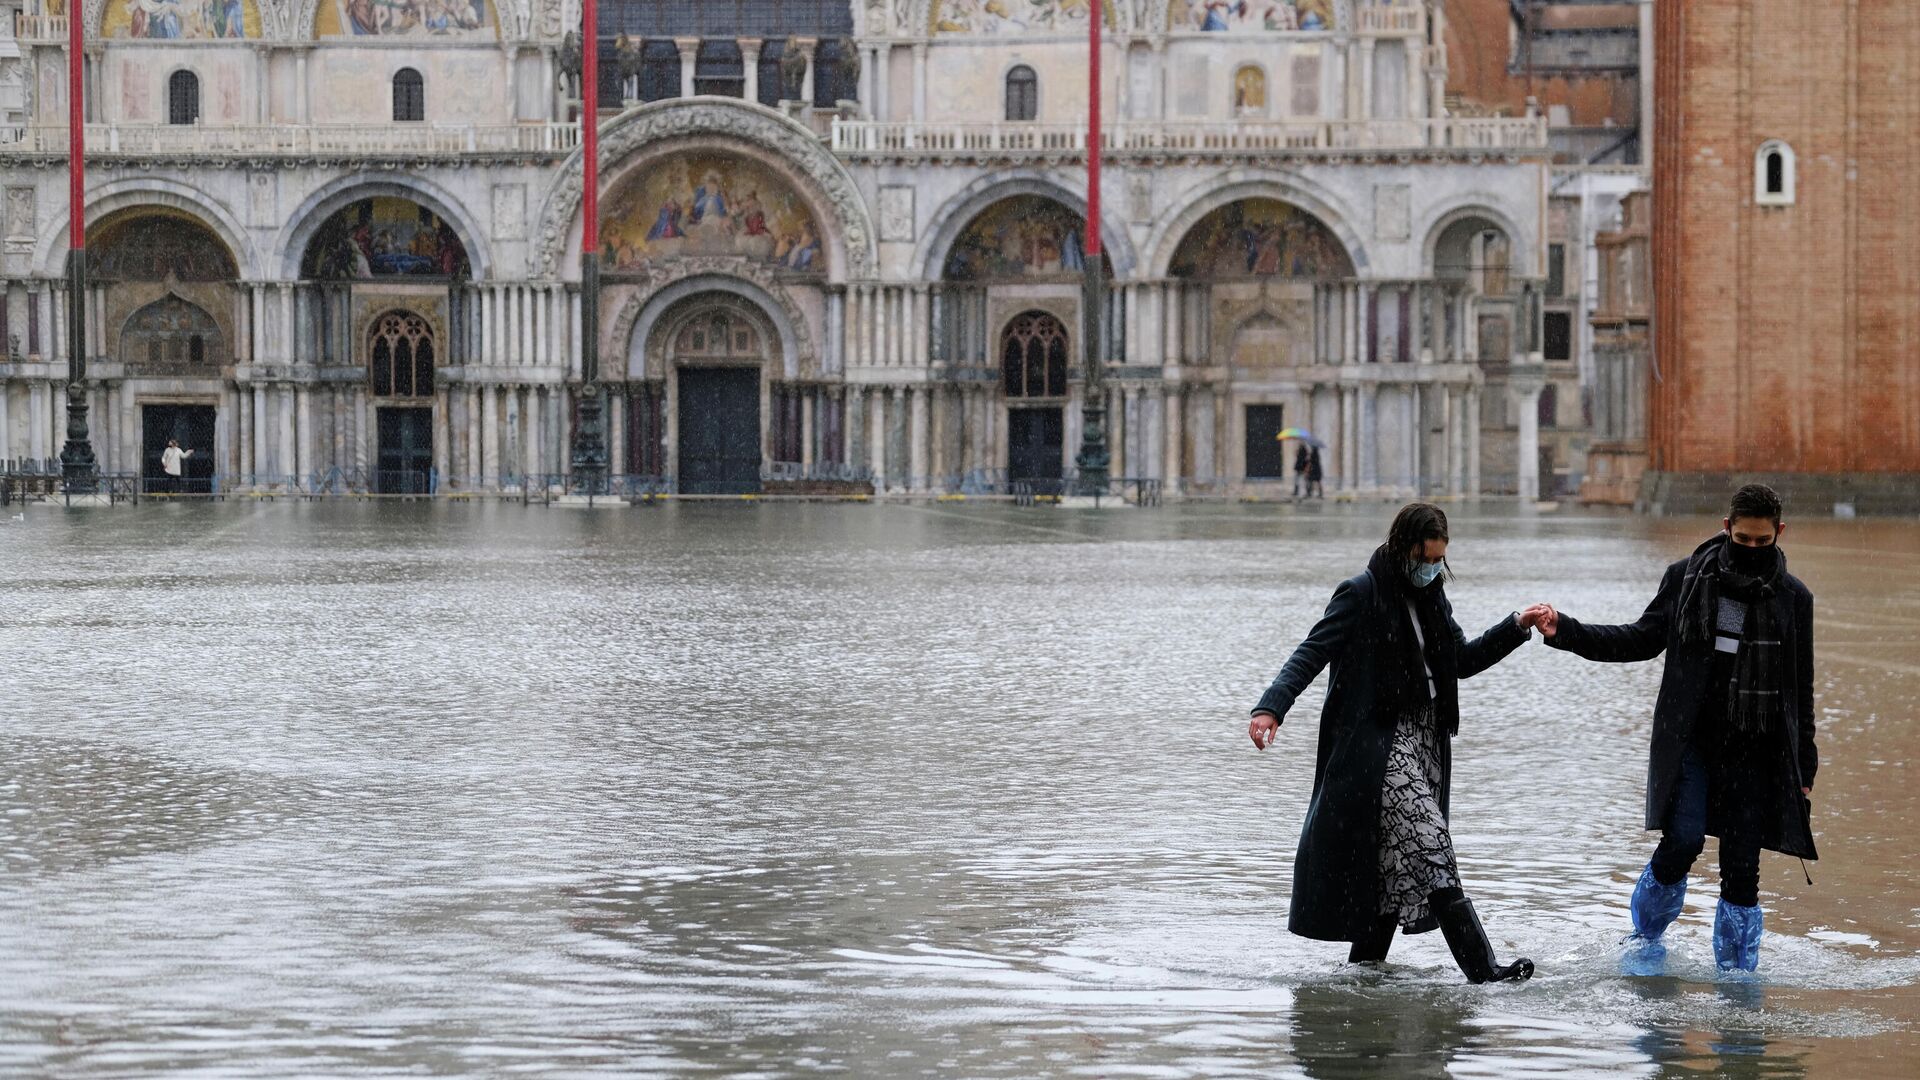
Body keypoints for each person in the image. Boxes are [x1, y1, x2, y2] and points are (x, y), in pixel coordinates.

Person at [1248, 503, 1553, 983]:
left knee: (1390, 863)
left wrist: (1516, 626)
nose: (1430, 568)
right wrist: (1272, 706)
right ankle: (1484, 970)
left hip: (1428, 741)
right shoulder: (1361, 593)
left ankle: (1363, 973)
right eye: (1423, 557)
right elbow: (1312, 651)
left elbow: (1462, 660)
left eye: (1438, 559)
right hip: (1380, 744)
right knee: (1432, 844)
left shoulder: (1433, 597)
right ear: (1402, 547)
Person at [1534, 484, 1817, 973]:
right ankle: (1644, 941)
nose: (1751, 550)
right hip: (1692, 742)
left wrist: (1805, 766)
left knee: (1742, 870)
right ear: (1726, 528)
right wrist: (1568, 630)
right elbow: (1640, 640)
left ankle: (1737, 984)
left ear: (1779, 533)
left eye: (1761, 542)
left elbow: (1800, 691)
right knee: (1683, 839)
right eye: (1743, 539)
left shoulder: (1794, 599)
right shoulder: (1686, 579)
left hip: (1756, 749)